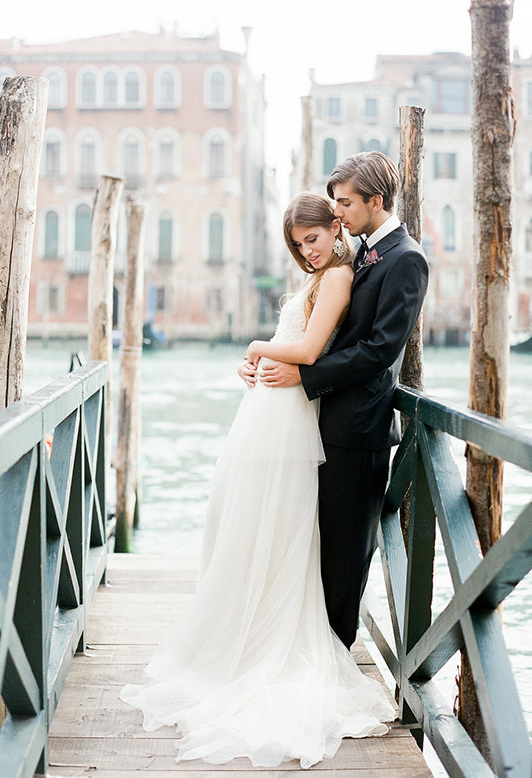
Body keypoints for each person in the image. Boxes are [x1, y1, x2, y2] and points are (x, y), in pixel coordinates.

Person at [120, 191, 395, 769]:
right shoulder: (323, 275)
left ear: (335, 228)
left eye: (313, 239)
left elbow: (309, 349)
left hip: (289, 419)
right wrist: (258, 364)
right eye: (298, 245)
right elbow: (294, 351)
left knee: (277, 525)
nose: (307, 251)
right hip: (272, 412)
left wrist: (253, 347)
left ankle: (269, 640)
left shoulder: (340, 276)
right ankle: (241, 635)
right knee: (245, 523)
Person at [240, 151, 429, 650]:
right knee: (317, 548)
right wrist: (270, 365)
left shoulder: (406, 259)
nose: (337, 212)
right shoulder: (358, 253)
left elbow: (379, 351)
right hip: (323, 422)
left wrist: (303, 376)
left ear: (376, 200)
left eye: (345, 203)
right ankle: (311, 650)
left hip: (358, 429)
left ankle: (335, 658)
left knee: (345, 556)